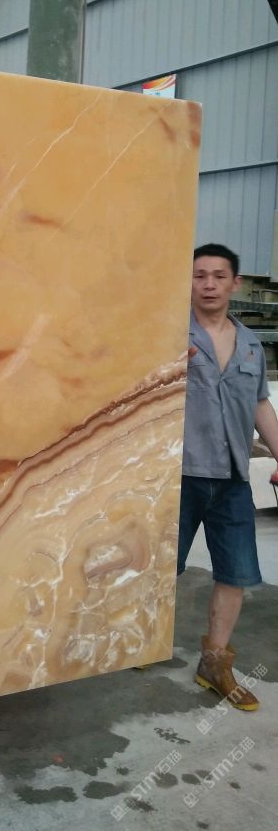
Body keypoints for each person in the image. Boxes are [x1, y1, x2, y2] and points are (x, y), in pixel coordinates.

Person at [178, 243, 278, 711]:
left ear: (235, 283)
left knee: (234, 573)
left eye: (219, 276)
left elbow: (260, 405)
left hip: (233, 478)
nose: (209, 284)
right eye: (200, 275)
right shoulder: (170, 335)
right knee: (159, 569)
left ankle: (215, 663)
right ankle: (136, 642)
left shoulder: (251, 344)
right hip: (178, 476)